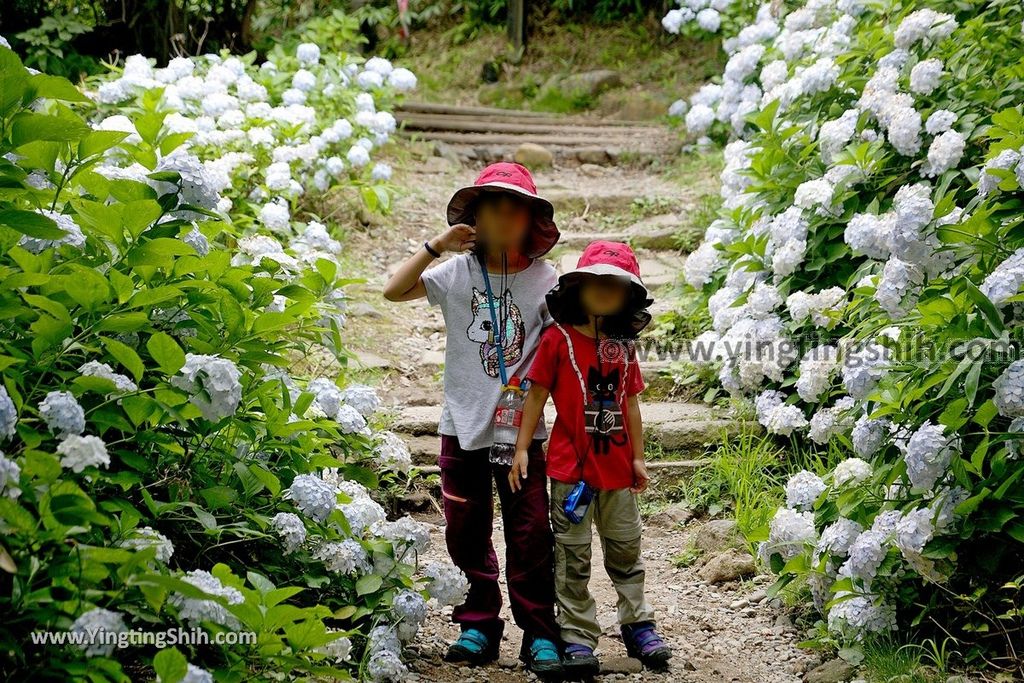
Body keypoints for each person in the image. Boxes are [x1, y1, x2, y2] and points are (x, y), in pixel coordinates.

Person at [383, 162, 562, 676]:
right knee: (465, 529)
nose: (505, 218)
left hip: (521, 434)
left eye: (516, 209)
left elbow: (566, 347)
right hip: (459, 426)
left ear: (532, 221)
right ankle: (478, 622)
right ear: (474, 218)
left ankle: (539, 632)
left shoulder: (546, 282)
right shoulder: (455, 273)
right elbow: (393, 290)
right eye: (492, 208)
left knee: (529, 532)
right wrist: (438, 244)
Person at [509, 240, 672, 677]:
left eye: (614, 285)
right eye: (594, 281)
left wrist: (639, 458)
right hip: (569, 470)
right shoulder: (556, 339)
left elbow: (631, 402)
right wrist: (522, 447)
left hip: (617, 469)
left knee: (625, 549)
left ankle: (638, 623)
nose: (603, 291)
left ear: (628, 295)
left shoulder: (624, 345)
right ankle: (578, 634)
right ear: (577, 288)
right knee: (573, 556)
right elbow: (537, 393)